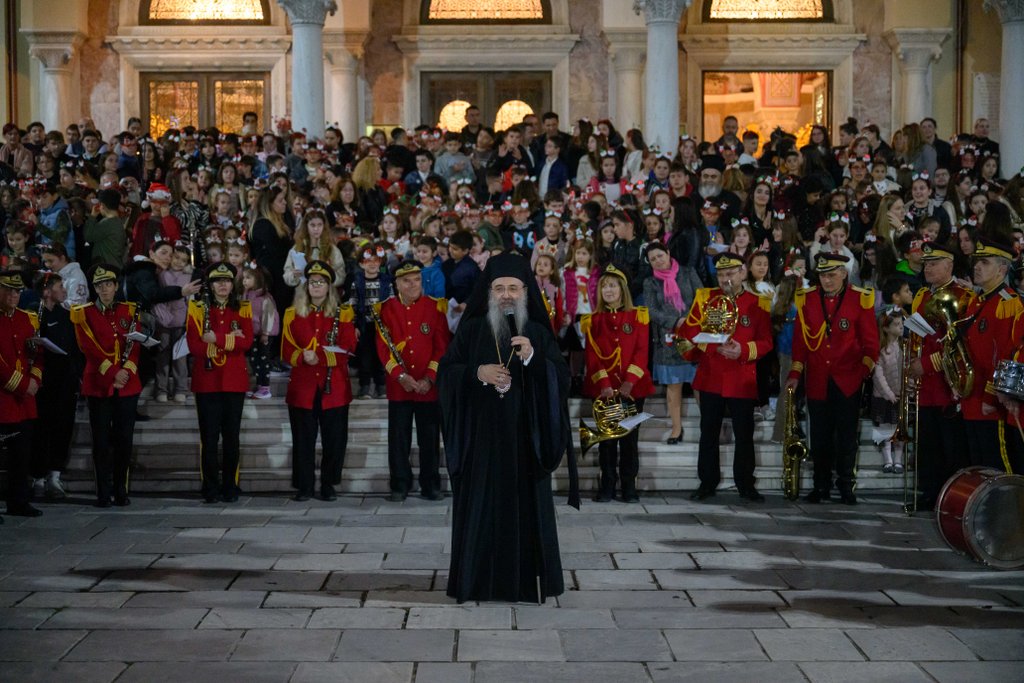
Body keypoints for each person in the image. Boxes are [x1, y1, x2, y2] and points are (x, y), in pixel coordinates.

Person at [438, 252, 574, 604]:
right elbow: (446, 374)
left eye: (514, 288)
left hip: (523, 441)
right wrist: (476, 373)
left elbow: (561, 377)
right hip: (481, 443)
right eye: (499, 288)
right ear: (489, 292)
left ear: (526, 292)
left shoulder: (538, 334)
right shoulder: (470, 330)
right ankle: (475, 583)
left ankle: (526, 585)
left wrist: (532, 359)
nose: (507, 295)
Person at [787, 253, 879, 505]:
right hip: (817, 378)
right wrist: (795, 373)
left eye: (831, 275)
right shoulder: (806, 299)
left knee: (848, 437)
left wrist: (862, 373)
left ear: (844, 274)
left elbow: (871, 345)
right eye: (822, 275)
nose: (826, 281)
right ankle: (820, 485)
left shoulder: (860, 298)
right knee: (820, 437)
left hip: (848, 379)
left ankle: (846, 485)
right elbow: (800, 343)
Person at [680, 253, 773, 501]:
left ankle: (745, 483)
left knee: (744, 434)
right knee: (708, 432)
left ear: (743, 272)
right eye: (721, 275)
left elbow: (766, 342)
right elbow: (687, 332)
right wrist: (713, 347)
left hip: (742, 377)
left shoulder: (758, 303)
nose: (725, 279)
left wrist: (743, 350)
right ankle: (707, 483)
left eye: (730, 273)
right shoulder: (706, 298)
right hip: (711, 376)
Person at [374, 262, 450, 502]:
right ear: (396, 283)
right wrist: (400, 375)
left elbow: (441, 347)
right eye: (406, 281)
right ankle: (399, 485)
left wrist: (430, 377)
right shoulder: (384, 309)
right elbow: (383, 350)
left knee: (429, 439)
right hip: (400, 386)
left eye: (416, 280)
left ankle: (431, 485)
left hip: (428, 387)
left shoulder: (435, 307)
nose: (413, 285)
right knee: (399, 440)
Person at [282, 261, 356, 502]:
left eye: (321, 282)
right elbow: (285, 349)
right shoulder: (292, 313)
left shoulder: (343, 313)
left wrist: (320, 357)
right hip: (303, 386)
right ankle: (304, 486)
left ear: (329, 287)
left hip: (333, 386)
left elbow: (348, 348)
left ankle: (328, 484)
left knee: (334, 440)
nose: (316, 286)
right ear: (306, 286)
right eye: (312, 282)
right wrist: (302, 357)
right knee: (303, 439)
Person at [907, 243, 973, 510]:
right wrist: (913, 366)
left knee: (951, 444)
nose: (928, 267)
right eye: (926, 263)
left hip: (949, 382)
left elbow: (960, 342)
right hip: (926, 383)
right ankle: (930, 491)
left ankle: (951, 495)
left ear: (950, 266)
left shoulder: (963, 295)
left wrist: (928, 363)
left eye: (934, 263)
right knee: (928, 442)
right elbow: (918, 336)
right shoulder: (921, 295)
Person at [71, 265, 142, 508]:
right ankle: (103, 491)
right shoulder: (84, 313)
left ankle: (121, 489)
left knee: (124, 440)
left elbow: (136, 345)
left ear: (115, 286)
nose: (104, 289)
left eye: (108, 284)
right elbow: (87, 348)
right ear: (95, 288)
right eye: (99, 285)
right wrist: (113, 372)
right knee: (101, 441)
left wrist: (125, 372)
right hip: (99, 384)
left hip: (127, 385)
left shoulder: (129, 310)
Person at [581, 265, 653, 502]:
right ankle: (607, 486)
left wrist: (629, 383)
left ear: (622, 289)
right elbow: (592, 357)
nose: (608, 290)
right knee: (608, 441)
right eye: (604, 286)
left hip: (632, 390)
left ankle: (629, 488)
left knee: (629, 441)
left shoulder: (639, 315)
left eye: (612, 285)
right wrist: (604, 384)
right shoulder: (593, 320)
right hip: (605, 391)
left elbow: (642, 352)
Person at [186, 262, 254, 503]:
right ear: (211, 285)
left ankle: (230, 486)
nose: (223, 285)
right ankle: (210, 487)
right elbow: (194, 344)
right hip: (207, 382)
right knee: (210, 438)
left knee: (232, 437)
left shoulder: (243, 308)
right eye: (217, 281)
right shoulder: (197, 308)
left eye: (226, 280)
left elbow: (247, 343)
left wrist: (217, 339)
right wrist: (230, 341)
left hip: (234, 381)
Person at [958, 238, 1022, 470]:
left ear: (1002, 269)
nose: (976, 267)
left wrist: (990, 396)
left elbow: (1007, 354)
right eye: (977, 262)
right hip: (970, 396)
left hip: (991, 401)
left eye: (984, 262)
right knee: (977, 465)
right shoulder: (977, 301)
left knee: (997, 464)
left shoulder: (1008, 303)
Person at [31, 270, 83, 500]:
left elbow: (76, 348)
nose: (64, 290)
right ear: (47, 291)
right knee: (41, 430)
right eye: (60, 286)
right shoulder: (33, 313)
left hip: (65, 382)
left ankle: (55, 476)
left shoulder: (67, 315)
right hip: (42, 382)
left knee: (63, 428)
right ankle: (37, 477)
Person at [643, 242, 701, 445]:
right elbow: (651, 310)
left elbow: (701, 297)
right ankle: (676, 429)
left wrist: (690, 321)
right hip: (667, 340)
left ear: (668, 253)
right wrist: (675, 322)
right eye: (653, 259)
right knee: (673, 387)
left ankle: (707, 425)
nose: (658, 261)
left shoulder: (687, 272)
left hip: (693, 336)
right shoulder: (650, 282)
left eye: (660, 255)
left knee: (699, 384)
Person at [0, 271, 43, 517]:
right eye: (7, 290)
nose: (13, 295)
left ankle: (18, 501)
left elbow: (38, 354)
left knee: (21, 454)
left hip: (24, 400)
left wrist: (35, 379)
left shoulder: (28, 319)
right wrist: (21, 384)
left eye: (17, 291)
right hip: (4, 396)